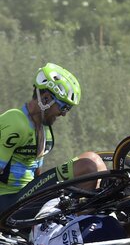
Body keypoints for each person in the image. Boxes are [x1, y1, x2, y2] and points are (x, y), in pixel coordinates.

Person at [0, 63, 106, 213]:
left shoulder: (45, 129)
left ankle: (93, 214)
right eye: (63, 107)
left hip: (27, 197)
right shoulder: (16, 122)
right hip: (8, 203)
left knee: (95, 161)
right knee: (88, 165)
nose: (64, 114)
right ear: (46, 98)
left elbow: (37, 175)